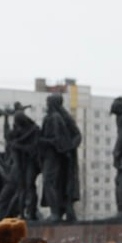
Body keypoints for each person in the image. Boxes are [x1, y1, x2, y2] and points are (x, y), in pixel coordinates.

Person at [39, 93, 82, 222]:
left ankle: (55, 213)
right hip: (58, 157)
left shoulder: (54, 118)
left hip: (53, 156)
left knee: (50, 182)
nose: (47, 105)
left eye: (48, 103)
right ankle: (60, 211)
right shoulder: (62, 117)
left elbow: (57, 139)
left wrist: (40, 140)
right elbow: (76, 136)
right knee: (58, 184)